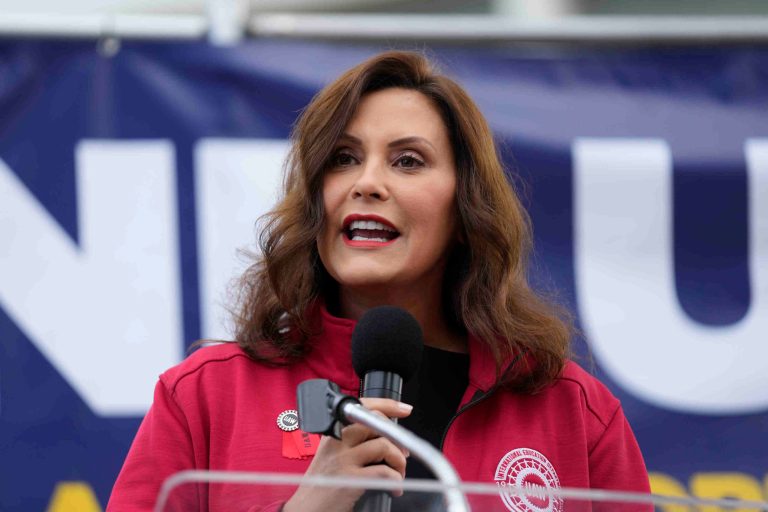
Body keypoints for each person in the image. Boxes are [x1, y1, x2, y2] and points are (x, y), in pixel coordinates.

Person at [107, 50, 650, 511]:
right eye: (343, 158)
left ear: (466, 210)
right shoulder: (204, 397)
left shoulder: (573, 412)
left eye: (408, 161)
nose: (367, 183)